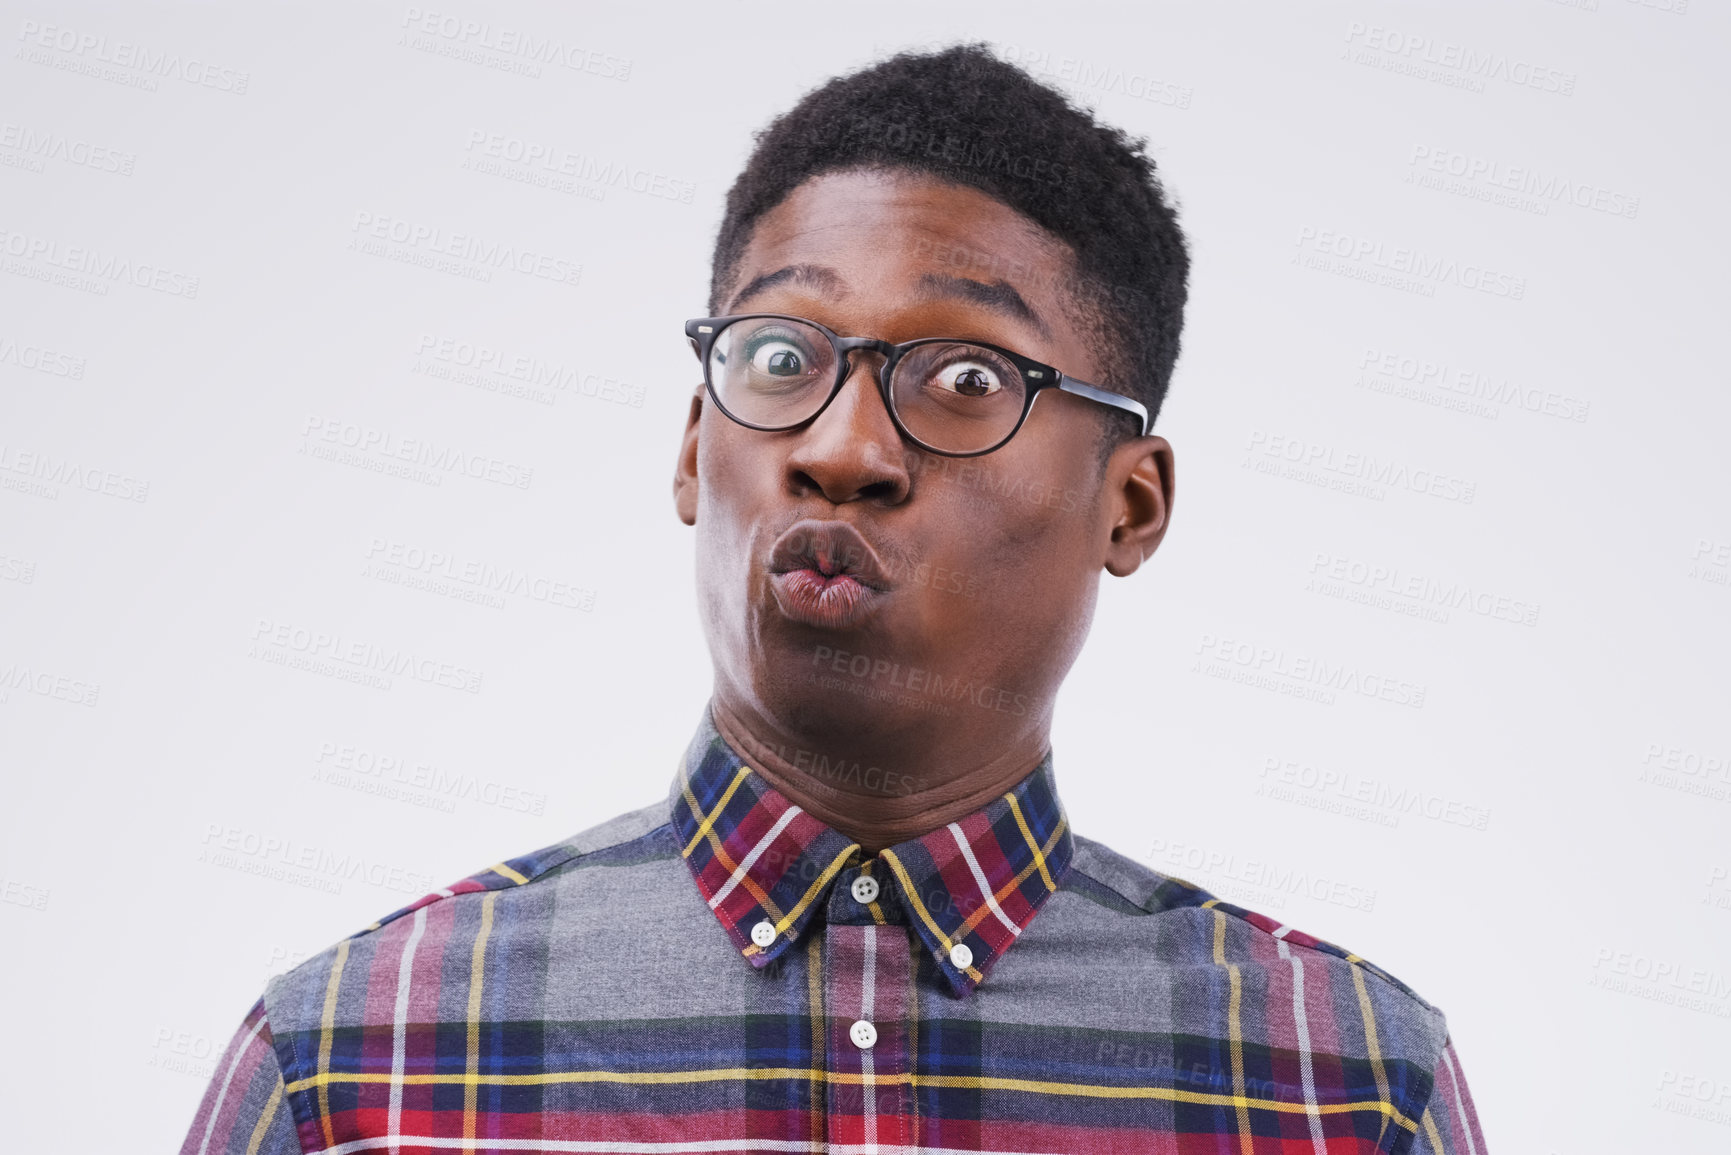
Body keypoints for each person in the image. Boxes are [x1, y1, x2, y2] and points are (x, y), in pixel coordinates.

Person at [181, 43, 1488, 1154]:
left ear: (1130, 506)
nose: (843, 449)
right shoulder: (355, 1067)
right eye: (780, 355)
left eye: (966, 380)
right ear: (696, 448)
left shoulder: (1345, 1088)